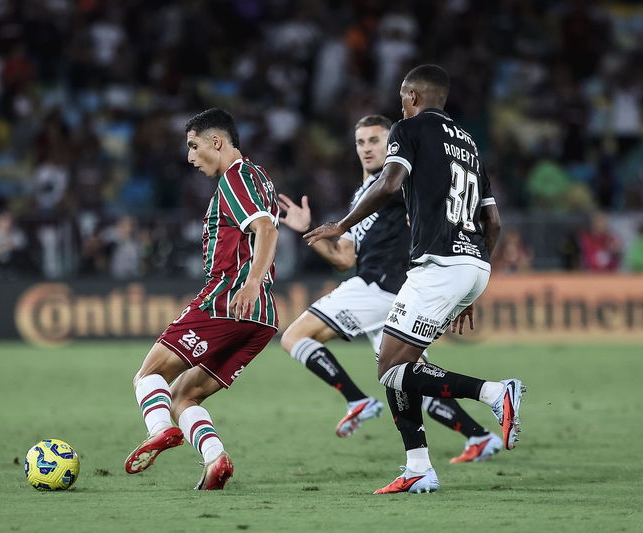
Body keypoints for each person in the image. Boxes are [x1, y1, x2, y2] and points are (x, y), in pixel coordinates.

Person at [305, 65, 524, 494]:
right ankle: (418, 466)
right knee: (397, 363)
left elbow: (389, 184)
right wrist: (470, 287)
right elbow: (493, 222)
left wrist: (342, 224)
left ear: (414, 96)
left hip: (439, 265)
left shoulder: (408, 129)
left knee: (391, 369)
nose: (400, 104)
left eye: (402, 97)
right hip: (473, 264)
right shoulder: (470, 144)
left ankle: (494, 393)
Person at [279, 115, 503, 463]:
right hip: (393, 295)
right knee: (410, 379)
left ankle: (357, 400)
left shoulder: (396, 182)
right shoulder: (363, 195)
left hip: (379, 286)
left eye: (375, 140)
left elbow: (427, 199)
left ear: (391, 143)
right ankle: (479, 436)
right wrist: (307, 230)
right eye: (361, 142)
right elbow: (343, 258)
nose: (367, 148)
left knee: (294, 337)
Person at [125, 108, 280, 490]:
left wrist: (251, 281)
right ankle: (215, 460)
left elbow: (266, 229)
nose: (190, 157)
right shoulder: (259, 176)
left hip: (228, 300)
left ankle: (159, 430)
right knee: (183, 396)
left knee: (149, 375)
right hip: (261, 316)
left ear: (217, 141)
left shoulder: (236, 176)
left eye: (194, 146)